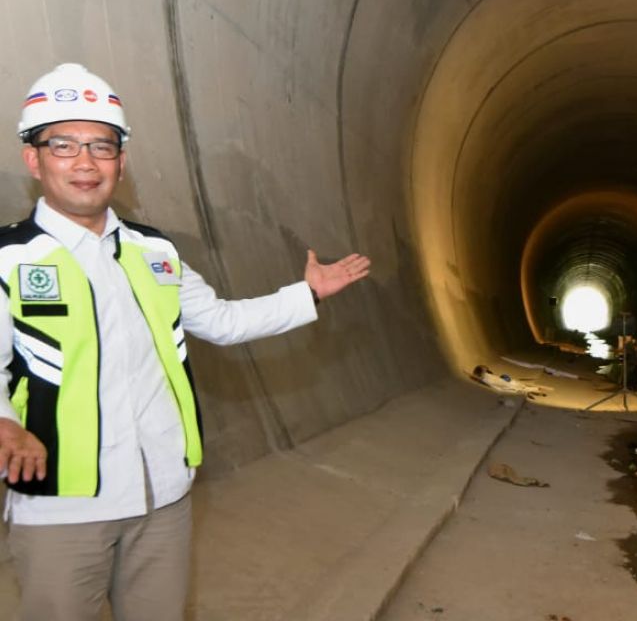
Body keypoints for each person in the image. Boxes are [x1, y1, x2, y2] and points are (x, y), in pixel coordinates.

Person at [0, 63, 371, 620]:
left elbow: (222, 321)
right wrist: (5, 422)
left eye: (102, 147)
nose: (85, 162)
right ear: (34, 158)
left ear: (121, 162)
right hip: (62, 505)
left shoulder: (156, 252)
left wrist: (307, 294)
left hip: (162, 497)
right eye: (63, 144)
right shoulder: (10, 258)